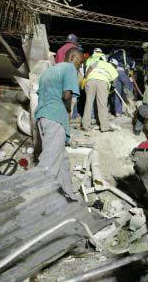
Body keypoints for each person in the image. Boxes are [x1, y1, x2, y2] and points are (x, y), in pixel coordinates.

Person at [34, 47, 83, 200]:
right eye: (79, 63)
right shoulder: (69, 68)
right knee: (49, 161)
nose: (79, 66)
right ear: (72, 57)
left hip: (42, 117)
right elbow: (66, 94)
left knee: (61, 161)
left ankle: (68, 196)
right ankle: (36, 196)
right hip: (55, 116)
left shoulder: (48, 72)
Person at [82, 54, 118, 132]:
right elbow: (115, 82)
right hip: (102, 82)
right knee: (102, 104)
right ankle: (104, 127)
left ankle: (85, 125)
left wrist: (85, 78)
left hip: (90, 81)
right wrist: (111, 89)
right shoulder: (112, 67)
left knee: (88, 103)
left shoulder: (98, 62)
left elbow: (90, 68)